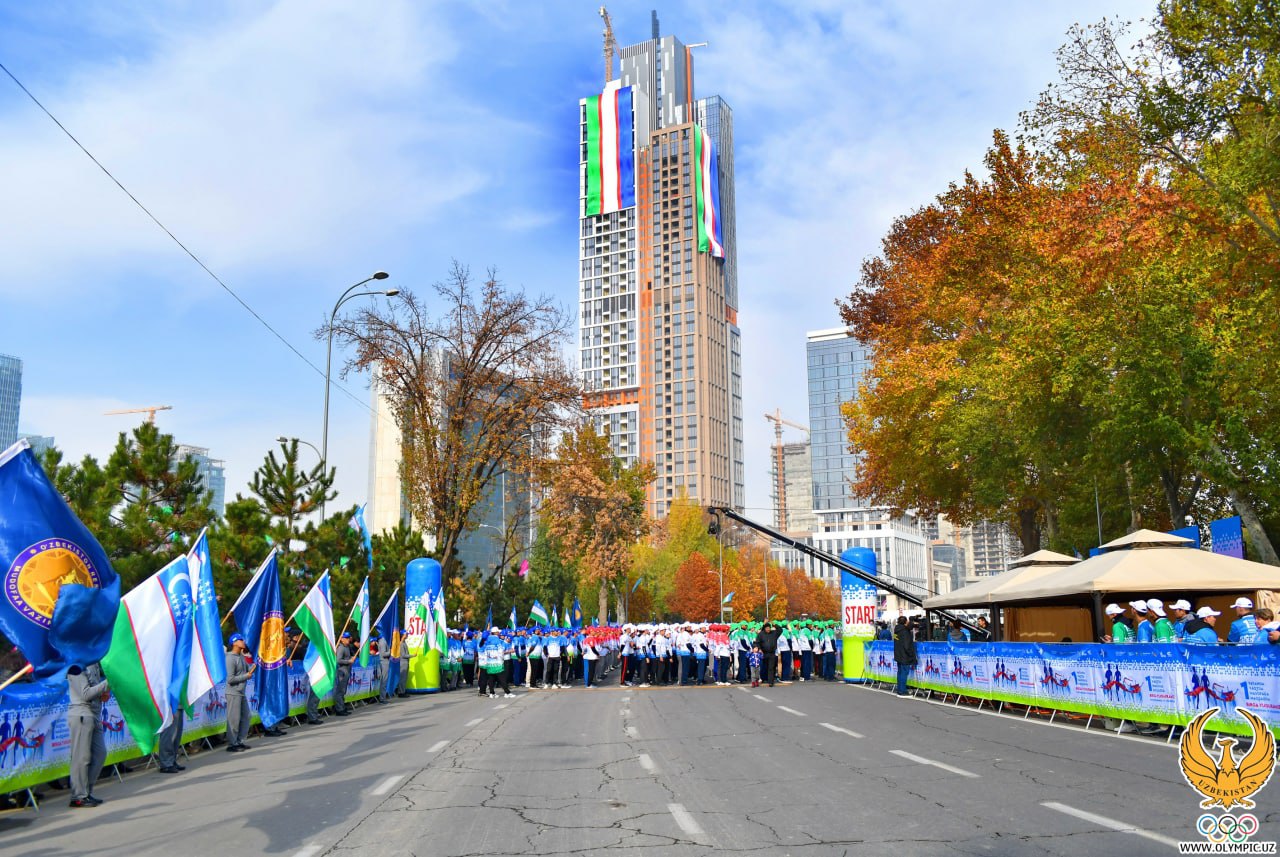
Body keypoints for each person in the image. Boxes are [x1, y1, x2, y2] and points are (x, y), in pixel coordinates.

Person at [67, 662, 110, 807]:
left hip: (94, 715)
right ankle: (78, 796)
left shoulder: (94, 663)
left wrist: (103, 693)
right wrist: (107, 683)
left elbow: (94, 692)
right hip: (81, 714)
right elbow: (85, 694)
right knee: (81, 757)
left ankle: (86, 791)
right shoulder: (76, 666)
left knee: (100, 754)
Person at [225, 633, 255, 751]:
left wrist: (257, 664)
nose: (243, 642)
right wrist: (246, 676)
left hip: (241, 693)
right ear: (234, 643)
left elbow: (248, 670)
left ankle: (240, 741)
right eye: (240, 640)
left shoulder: (241, 657)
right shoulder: (230, 658)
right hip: (233, 693)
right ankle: (232, 744)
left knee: (246, 716)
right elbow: (230, 679)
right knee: (234, 719)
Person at [892, 616, 917, 696]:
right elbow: (907, 645)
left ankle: (900, 689)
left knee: (900, 672)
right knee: (904, 673)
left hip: (898, 654)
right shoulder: (905, 631)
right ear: (905, 622)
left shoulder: (896, 630)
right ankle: (902, 691)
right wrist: (911, 655)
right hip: (905, 655)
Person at [333, 630, 354, 715]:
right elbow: (338, 660)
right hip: (342, 671)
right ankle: (339, 709)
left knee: (343, 691)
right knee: (340, 691)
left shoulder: (347, 647)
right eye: (346, 638)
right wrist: (348, 661)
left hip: (346, 670)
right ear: (342, 639)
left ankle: (342, 707)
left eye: (348, 638)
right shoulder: (341, 648)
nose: (348, 639)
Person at [755, 621, 780, 687]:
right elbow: (757, 642)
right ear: (764, 628)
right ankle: (763, 678)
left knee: (771, 667)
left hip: (772, 653)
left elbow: (780, 630)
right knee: (764, 667)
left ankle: (770, 681)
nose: (768, 629)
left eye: (769, 628)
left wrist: (774, 624)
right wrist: (759, 649)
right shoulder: (761, 634)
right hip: (764, 653)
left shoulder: (774, 633)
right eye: (767, 628)